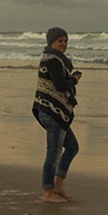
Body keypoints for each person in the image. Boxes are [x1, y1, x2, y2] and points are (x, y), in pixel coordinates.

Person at [32, 27, 81, 203]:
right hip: (51, 111)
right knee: (53, 153)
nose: (63, 44)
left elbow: (58, 82)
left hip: (54, 112)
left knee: (72, 147)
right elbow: (60, 85)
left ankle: (58, 185)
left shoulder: (57, 60)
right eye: (60, 41)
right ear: (52, 42)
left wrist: (71, 79)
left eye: (66, 41)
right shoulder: (52, 60)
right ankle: (47, 192)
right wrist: (74, 79)